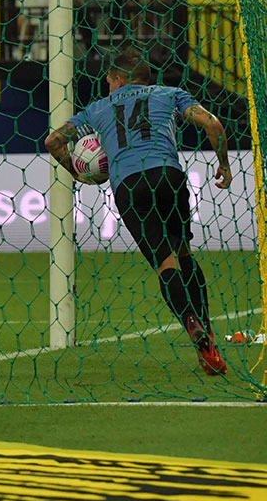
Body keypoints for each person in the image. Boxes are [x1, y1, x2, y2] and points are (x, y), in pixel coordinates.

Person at [44, 47, 232, 376]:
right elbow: (212, 123)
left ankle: (192, 326)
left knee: (165, 264)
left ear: (118, 79)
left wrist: (78, 172)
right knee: (184, 253)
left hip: (130, 187)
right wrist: (224, 165)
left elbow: (53, 141)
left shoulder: (97, 108)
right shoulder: (171, 93)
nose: (107, 86)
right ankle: (209, 334)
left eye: (108, 80)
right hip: (168, 177)